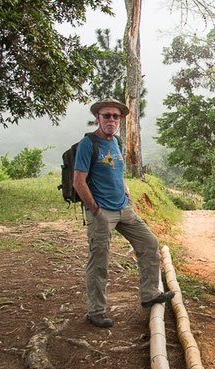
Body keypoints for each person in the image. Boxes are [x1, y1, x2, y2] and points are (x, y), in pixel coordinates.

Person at [73, 98, 175, 328]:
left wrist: (126, 193)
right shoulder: (88, 143)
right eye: (106, 115)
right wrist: (95, 208)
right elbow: (78, 181)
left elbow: (115, 172)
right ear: (97, 117)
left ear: (120, 120)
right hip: (102, 212)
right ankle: (96, 311)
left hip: (123, 207)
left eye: (116, 116)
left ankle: (149, 294)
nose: (111, 119)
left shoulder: (116, 142)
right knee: (99, 261)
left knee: (149, 243)